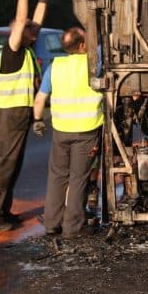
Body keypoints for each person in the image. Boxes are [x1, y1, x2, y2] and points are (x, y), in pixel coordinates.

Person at [0, 0, 48, 231]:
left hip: (20, 114)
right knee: (2, 164)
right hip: (8, 114)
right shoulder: (13, 50)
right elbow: (22, 19)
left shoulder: (28, 49)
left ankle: (3, 211)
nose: (35, 29)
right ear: (20, 31)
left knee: (13, 164)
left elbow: (37, 18)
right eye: (31, 28)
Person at [32, 26, 103, 238]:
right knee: (78, 179)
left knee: (57, 177)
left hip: (61, 131)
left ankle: (52, 223)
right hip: (87, 131)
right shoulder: (93, 64)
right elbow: (101, 47)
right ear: (83, 45)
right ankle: (74, 227)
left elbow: (40, 99)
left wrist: (37, 121)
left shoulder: (56, 65)